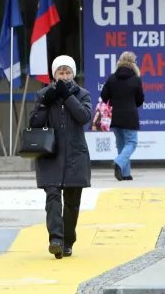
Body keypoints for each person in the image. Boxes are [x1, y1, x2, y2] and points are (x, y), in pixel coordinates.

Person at [29, 55, 92, 259]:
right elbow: (34, 123)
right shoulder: (42, 95)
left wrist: (67, 96)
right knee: (53, 197)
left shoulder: (83, 94)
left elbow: (84, 117)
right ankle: (55, 239)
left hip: (75, 155)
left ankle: (68, 241)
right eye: (60, 72)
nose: (64, 76)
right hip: (51, 155)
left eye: (67, 72)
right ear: (54, 75)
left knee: (72, 202)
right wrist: (45, 103)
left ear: (73, 74)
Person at [100, 51, 144, 181]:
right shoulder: (136, 79)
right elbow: (140, 99)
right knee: (131, 142)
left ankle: (125, 174)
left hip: (115, 115)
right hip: (130, 115)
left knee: (121, 144)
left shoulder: (112, 78)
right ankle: (119, 162)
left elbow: (104, 96)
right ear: (133, 63)